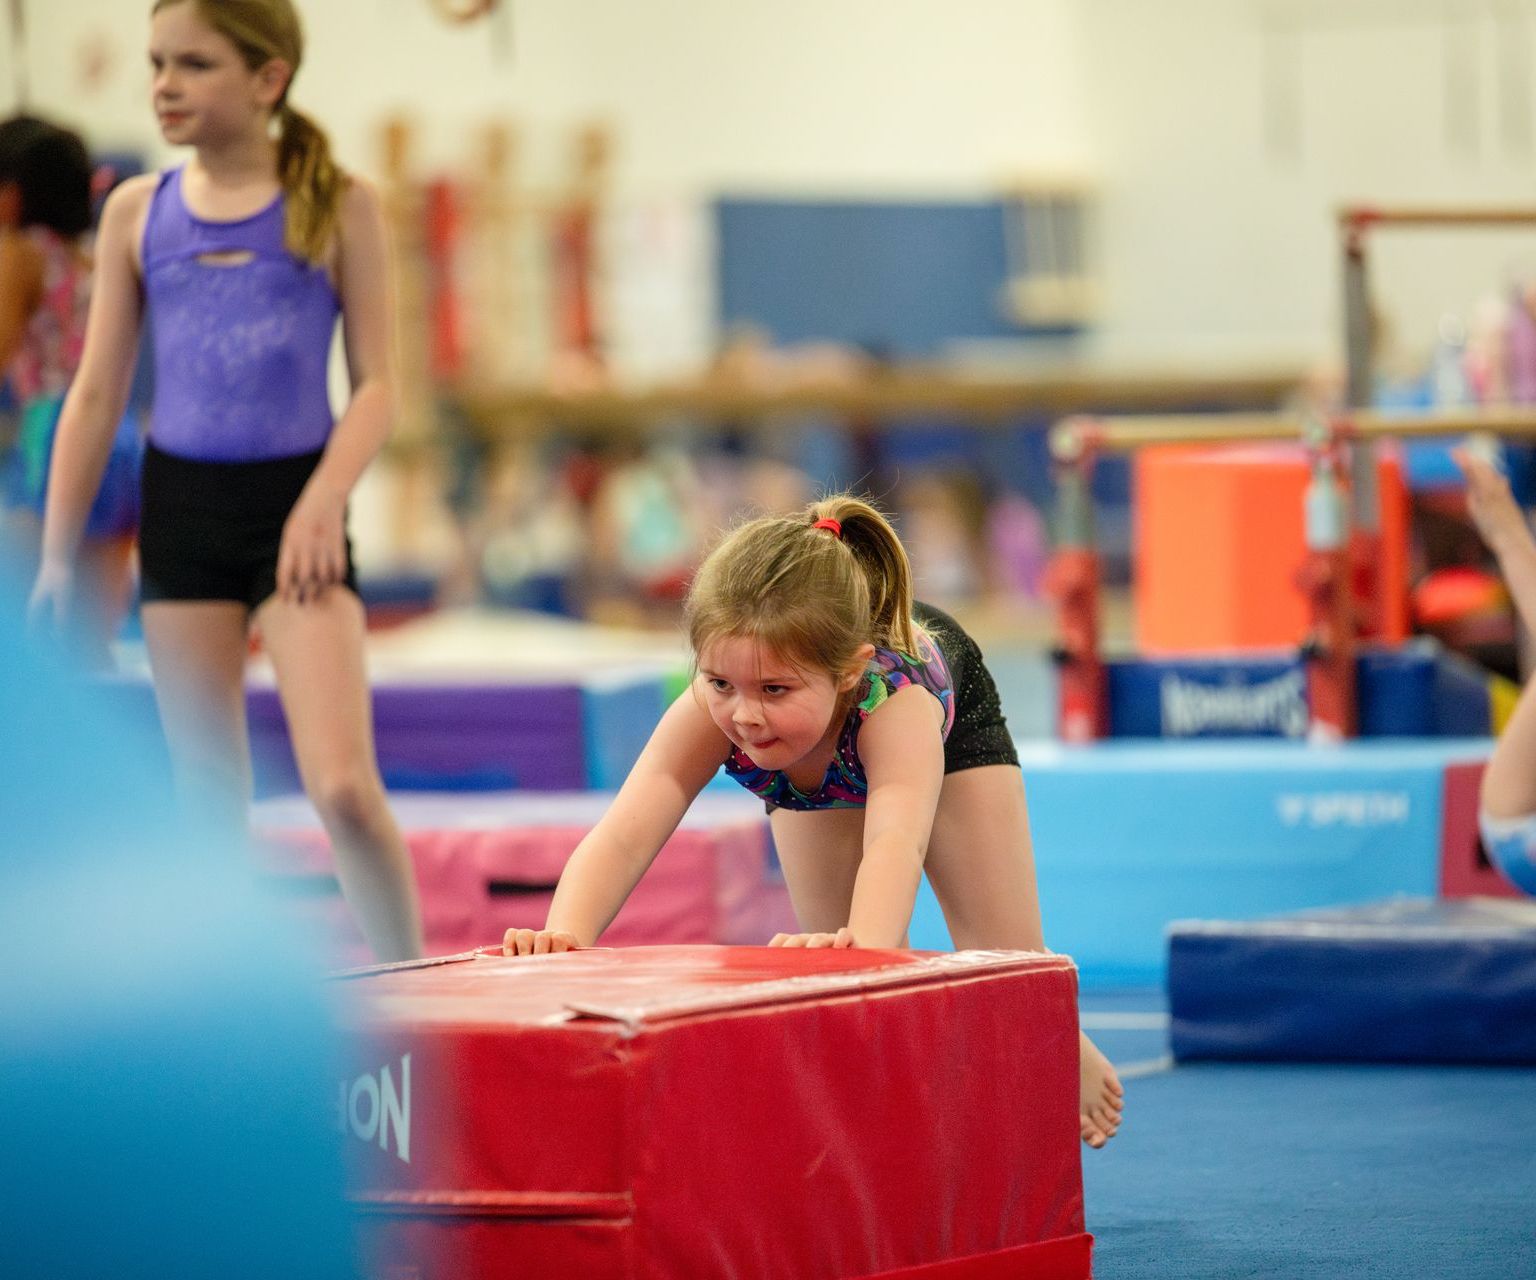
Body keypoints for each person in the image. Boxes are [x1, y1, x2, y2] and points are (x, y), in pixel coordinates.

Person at [504, 494, 1126, 1148]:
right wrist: (565, 939)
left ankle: (1060, 1033)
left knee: (1007, 965)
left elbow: (896, 839)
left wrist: (869, 950)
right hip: (809, 762)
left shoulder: (897, 703)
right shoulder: (721, 702)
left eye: (773, 690)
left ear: (849, 670)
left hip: (942, 720)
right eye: (721, 684)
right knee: (833, 968)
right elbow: (627, 830)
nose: (744, 715)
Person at [29, 0, 423, 963]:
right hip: (184, 512)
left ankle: (422, 980)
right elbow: (93, 398)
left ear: (267, 79)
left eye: (194, 65)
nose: (163, 85)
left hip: (298, 513)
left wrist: (323, 499)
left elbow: (377, 387)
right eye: (157, 63)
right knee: (205, 805)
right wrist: (51, 558)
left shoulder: (336, 201)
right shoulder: (138, 212)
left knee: (342, 787)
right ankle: (222, 998)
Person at [0, 115, 141, 666]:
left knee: (29, 624)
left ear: (11, 196)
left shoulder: (20, 253)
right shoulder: (93, 260)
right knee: (92, 642)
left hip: (53, 434)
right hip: (118, 434)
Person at [1455, 445, 1536, 895]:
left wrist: (1507, 535)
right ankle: (1505, 531)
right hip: (1519, 830)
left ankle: (1505, 531)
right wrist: (1507, 535)